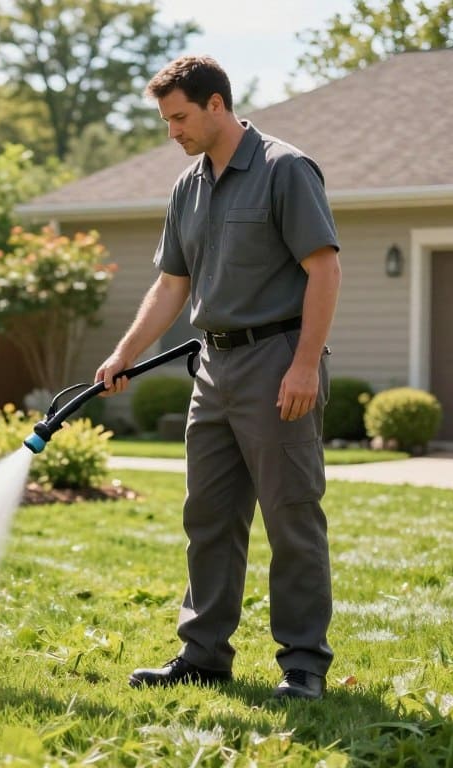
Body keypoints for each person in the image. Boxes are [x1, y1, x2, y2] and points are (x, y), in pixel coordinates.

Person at [95, 55, 341, 701]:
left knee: (290, 517)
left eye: (178, 118)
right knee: (207, 517)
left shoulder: (285, 169)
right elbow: (172, 283)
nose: (171, 131)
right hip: (213, 365)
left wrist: (305, 364)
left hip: (276, 360)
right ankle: (203, 654)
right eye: (165, 120)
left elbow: (324, 269)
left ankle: (304, 666)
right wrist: (124, 352)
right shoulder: (189, 187)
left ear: (215, 105)